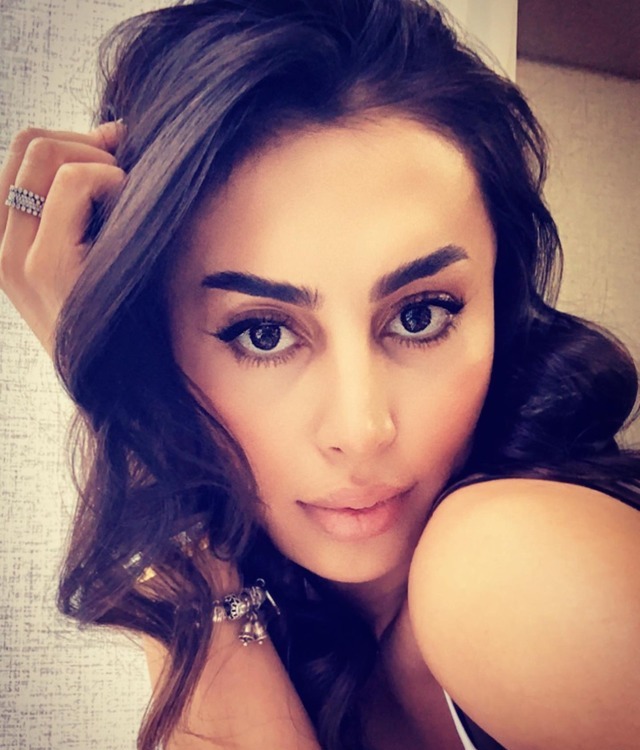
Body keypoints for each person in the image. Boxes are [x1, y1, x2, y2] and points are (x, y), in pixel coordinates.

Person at [1, 1, 639, 748]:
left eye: (420, 315)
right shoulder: (281, 620)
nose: (361, 430)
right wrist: (123, 392)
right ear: (158, 343)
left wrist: (127, 410)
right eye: (264, 333)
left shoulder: (513, 563)